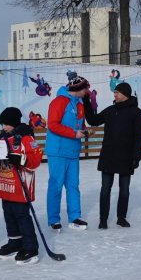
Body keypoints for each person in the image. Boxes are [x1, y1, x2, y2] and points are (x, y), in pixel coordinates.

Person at [83, 82, 141, 229]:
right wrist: (86, 101)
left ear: (125, 94)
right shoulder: (111, 110)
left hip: (127, 157)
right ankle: (103, 219)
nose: (115, 94)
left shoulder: (136, 113)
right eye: (115, 92)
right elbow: (93, 120)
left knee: (124, 190)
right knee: (105, 188)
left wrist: (136, 157)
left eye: (117, 92)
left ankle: (121, 218)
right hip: (109, 156)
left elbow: (139, 137)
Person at [0, 107, 44, 264]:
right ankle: (15, 241)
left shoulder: (26, 137)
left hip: (20, 185)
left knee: (22, 216)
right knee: (8, 214)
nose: (4, 128)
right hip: (6, 184)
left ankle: (30, 247)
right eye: (2, 124)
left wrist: (21, 160)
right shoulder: (2, 138)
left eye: (7, 124)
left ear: (14, 123)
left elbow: (36, 159)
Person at [46, 71, 90, 232]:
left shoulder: (79, 104)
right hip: (58, 151)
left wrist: (84, 131)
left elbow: (79, 125)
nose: (87, 91)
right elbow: (53, 124)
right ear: (78, 88)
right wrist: (73, 133)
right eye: (86, 88)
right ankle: (54, 219)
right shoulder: (59, 102)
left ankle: (75, 217)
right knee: (56, 186)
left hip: (73, 151)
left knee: (73, 185)